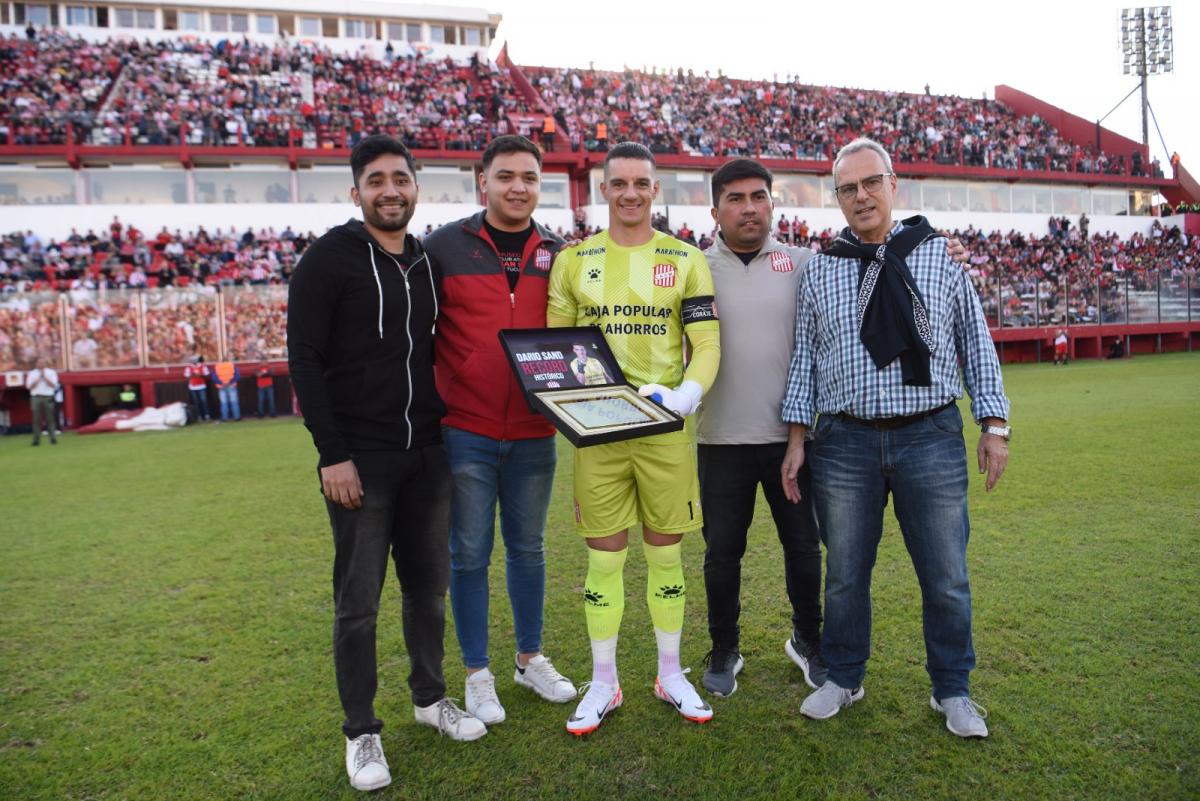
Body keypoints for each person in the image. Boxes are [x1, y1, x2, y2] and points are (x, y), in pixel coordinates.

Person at [781, 137, 1010, 739]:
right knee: (846, 573)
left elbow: (974, 343)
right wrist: (797, 438)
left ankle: (953, 689)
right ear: (837, 198)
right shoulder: (821, 268)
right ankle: (843, 676)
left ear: (893, 185)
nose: (861, 197)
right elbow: (805, 358)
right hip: (844, 442)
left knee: (946, 575)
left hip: (929, 435)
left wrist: (994, 425)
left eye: (870, 183)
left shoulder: (938, 256)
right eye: (848, 189)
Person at [288, 134, 484, 793]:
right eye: (377, 180)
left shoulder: (425, 261)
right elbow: (305, 362)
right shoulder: (327, 259)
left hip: (427, 454)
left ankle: (430, 698)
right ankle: (360, 730)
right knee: (358, 603)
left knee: (428, 589)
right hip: (360, 461)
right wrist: (333, 454)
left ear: (416, 186)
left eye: (401, 178)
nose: (390, 189)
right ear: (356, 192)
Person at [547, 142, 721, 734]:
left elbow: (708, 346)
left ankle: (670, 673)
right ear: (604, 189)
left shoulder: (686, 259)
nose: (629, 193)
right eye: (618, 183)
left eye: (640, 183)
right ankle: (603, 681)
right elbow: (553, 354)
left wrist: (686, 395)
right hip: (598, 437)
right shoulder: (573, 262)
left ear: (654, 190)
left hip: (665, 432)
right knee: (604, 562)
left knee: (666, 554)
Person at [422, 135, 576, 726]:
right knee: (468, 554)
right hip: (466, 428)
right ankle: (477, 672)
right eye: (506, 175)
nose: (518, 187)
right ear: (480, 180)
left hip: (536, 431)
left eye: (530, 178)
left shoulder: (559, 253)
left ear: (541, 185)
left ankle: (529, 657)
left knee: (530, 549)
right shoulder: (442, 248)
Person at [695, 158, 825, 697]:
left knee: (804, 548)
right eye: (735, 198)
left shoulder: (804, 262)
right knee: (722, 552)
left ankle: (808, 640)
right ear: (715, 210)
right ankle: (725, 647)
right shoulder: (694, 268)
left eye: (758, 196)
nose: (749, 207)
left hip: (791, 441)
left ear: (772, 203)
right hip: (720, 439)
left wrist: (947, 250)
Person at [25, 359, 59, 446]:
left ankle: (53, 438)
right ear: (36, 364)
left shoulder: (51, 372)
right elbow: (29, 386)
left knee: (50, 418)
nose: (41, 364)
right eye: (39, 362)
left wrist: (44, 377)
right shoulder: (32, 373)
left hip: (48, 396)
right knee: (36, 419)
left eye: (42, 362)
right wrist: (39, 378)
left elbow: (54, 385)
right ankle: (36, 440)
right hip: (36, 397)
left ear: (45, 363)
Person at [184, 355, 211, 421]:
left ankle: (207, 415)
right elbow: (186, 377)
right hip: (193, 387)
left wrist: (201, 375)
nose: (193, 361)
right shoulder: (188, 367)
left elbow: (207, 375)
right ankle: (199, 416)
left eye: (194, 360)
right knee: (196, 402)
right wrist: (192, 375)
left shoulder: (203, 366)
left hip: (202, 386)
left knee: (204, 401)